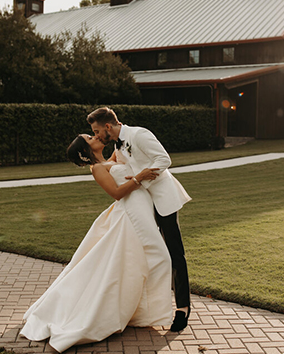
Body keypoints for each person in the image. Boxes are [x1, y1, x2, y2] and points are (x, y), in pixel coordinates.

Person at [20, 134, 173, 352]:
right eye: (90, 137)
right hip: (129, 211)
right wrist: (139, 178)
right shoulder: (97, 169)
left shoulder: (110, 158)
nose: (95, 136)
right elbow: (117, 193)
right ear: (86, 149)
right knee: (157, 257)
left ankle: (139, 311)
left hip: (141, 208)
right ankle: (138, 311)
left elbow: (123, 150)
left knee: (134, 262)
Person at [87, 107, 192, 332]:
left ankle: (182, 308)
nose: (96, 136)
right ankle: (148, 307)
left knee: (174, 252)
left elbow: (164, 160)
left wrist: (140, 179)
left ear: (107, 126)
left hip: (162, 199)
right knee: (145, 253)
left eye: (96, 131)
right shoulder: (117, 145)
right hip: (141, 204)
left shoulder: (139, 134)